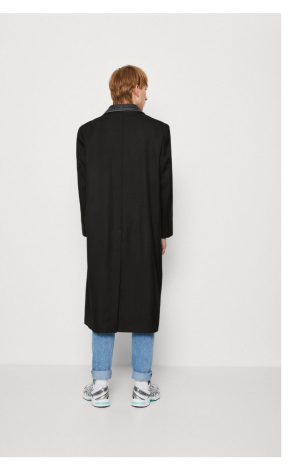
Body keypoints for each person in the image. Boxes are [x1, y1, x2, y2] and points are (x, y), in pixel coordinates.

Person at [76, 65, 173, 408]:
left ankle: (100, 385)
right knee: (144, 300)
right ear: (134, 89)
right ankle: (142, 387)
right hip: (145, 230)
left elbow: (85, 190)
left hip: (101, 232)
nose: (147, 95)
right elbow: (163, 188)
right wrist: (162, 232)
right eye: (144, 88)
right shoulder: (158, 131)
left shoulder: (88, 133)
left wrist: (91, 231)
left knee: (102, 300)